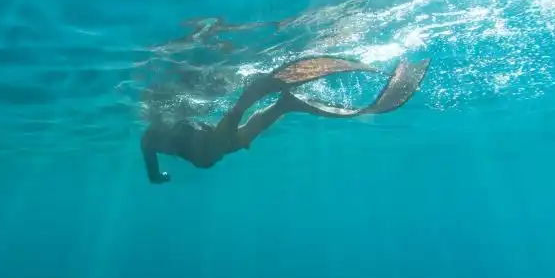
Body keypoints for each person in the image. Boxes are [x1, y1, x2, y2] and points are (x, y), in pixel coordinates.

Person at [140, 55, 430, 184]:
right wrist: (158, 176)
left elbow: (154, 171)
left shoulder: (152, 139)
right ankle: (283, 105)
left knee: (214, 152)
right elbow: (154, 172)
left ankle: (248, 100)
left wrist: (160, 177)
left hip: (203, 143)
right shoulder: (151, 139)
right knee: (235, 141)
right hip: (204, 140)